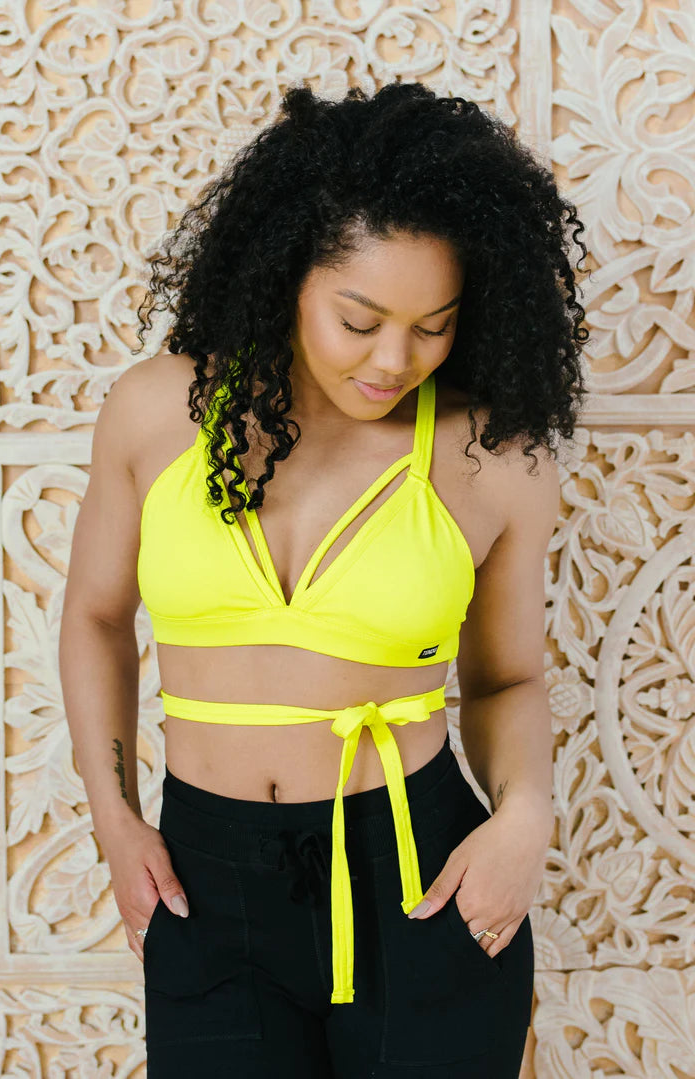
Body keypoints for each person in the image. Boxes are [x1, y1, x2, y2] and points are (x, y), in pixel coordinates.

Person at [59, 81, 588, 1077]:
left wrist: (524, 819)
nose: (395, 358)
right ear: (289, 274)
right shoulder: (157, 412)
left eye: (434, 325)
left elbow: (509, 677)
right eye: (360, 318)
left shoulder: (491, 460)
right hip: (207, 879)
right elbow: (94, 614)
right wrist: (114, 817)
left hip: (421, 876)